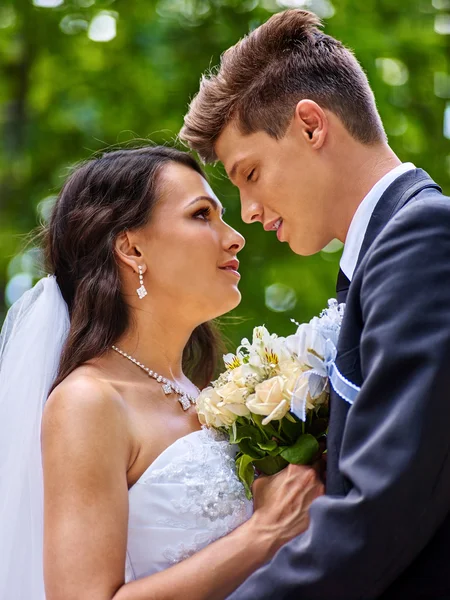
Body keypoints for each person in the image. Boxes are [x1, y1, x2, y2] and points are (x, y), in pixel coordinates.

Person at [180, 8, 450, 599]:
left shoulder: (422, 239)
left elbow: (383, 506)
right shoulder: (385, 256)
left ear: (310, 125)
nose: (247, 212)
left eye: (249, 173)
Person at [0, 146, 324, 600]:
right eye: (201, 215)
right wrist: (264, 532)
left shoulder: (206, 395)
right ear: (132, 248)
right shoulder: (89, 401)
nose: (235, 238)